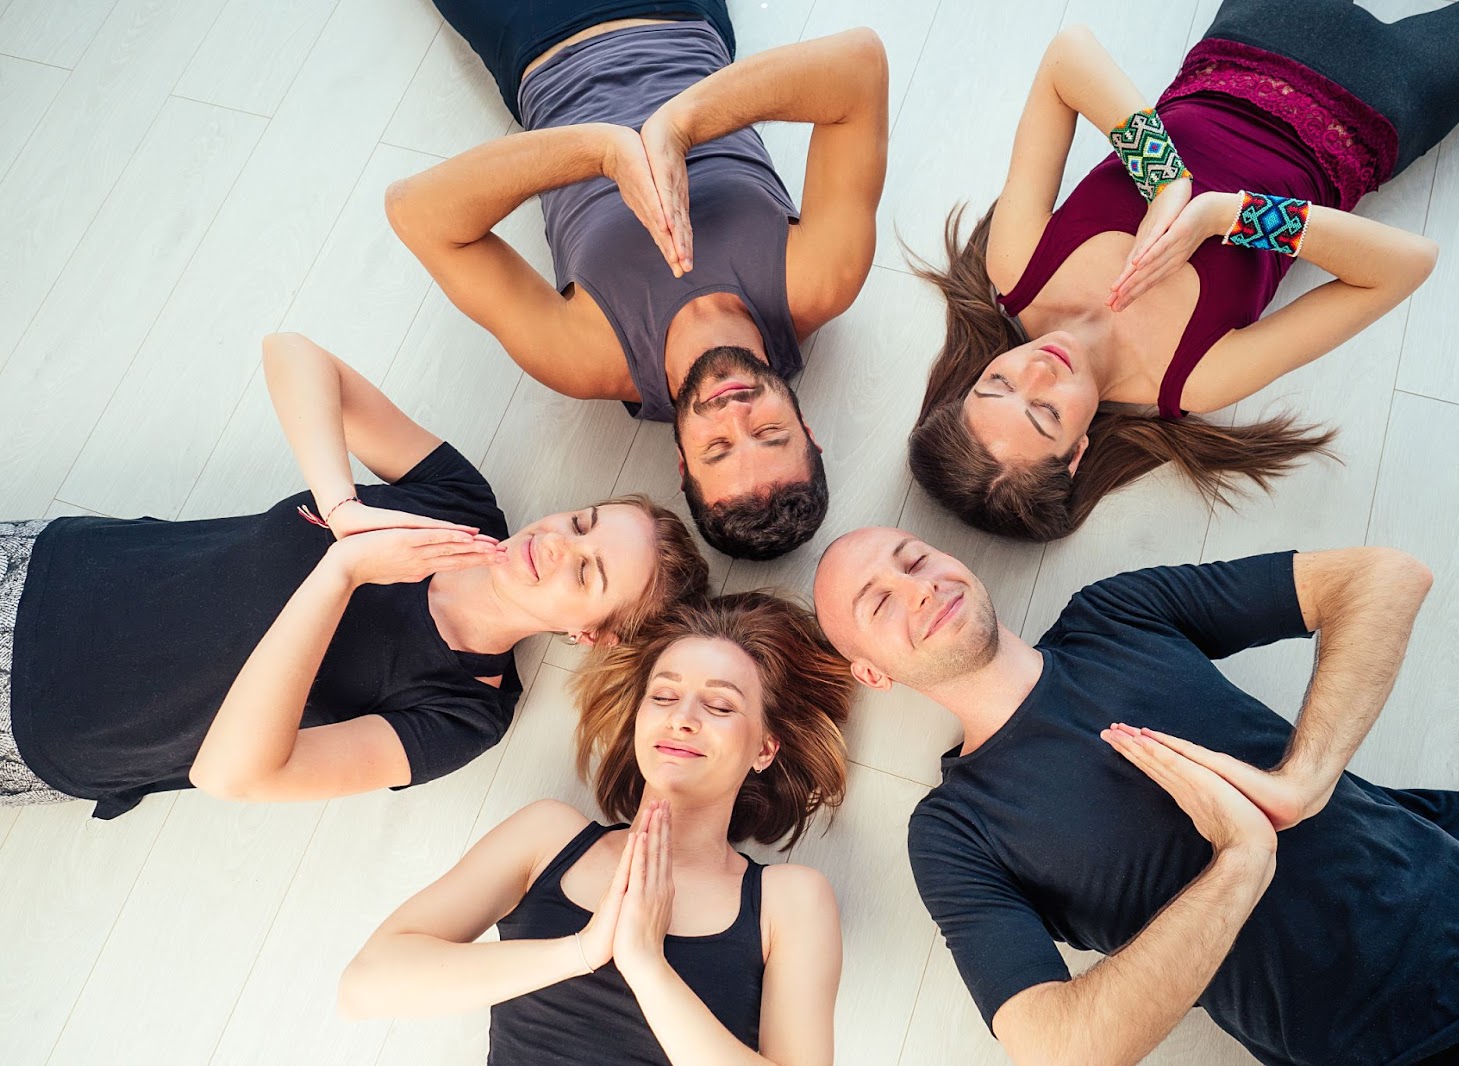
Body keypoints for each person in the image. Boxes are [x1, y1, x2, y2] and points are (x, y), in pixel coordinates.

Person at [811, 527, 1459, 1065]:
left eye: (913, 559)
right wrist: (1240, 861)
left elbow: (1384, 577)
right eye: (877, 603)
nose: (914, 589)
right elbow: (1058, 1045)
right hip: (1383, 1048)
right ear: (872, 674)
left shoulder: (1115, 613)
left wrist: (1302, 780)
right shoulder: (953, 831)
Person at [910, 0, 1459, 540]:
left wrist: (1167, 180)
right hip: (1381, 106)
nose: (1036, 371)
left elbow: (1069, 58)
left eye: (997, 383)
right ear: (1080, 450)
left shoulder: (1018, 267)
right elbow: (1403, 266)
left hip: (1259, 34)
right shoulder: (1197, 379)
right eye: (1043, 413)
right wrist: (1226, 217)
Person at [0, 332, 709, 820]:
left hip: (46, 723)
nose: (558, 545)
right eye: (581, 522)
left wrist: (341, 575)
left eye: (587, 574)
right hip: (51, 564)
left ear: (588, 633)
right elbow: (295, 355)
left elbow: (232, 775)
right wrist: (342, 507)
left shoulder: (461, 714)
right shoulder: (460, 503)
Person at [386, 1, 889, 560]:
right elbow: (859, 65)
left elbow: (416, 212)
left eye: (718, 449)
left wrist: (603, 152)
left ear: (682, 463)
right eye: (770, 434)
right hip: (676, 13)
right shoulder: (819, 280)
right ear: (809, 431)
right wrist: (677, 127)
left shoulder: (588, 357)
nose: (734, 413)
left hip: (534, 35)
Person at [339, 591, 854, 1066]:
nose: (683, 718)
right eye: (663, 696)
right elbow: (365, 986)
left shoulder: (788, 901)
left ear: (764, 748)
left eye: (720, 705)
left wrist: (647, 964)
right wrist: (581, 950)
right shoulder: (548, 839)